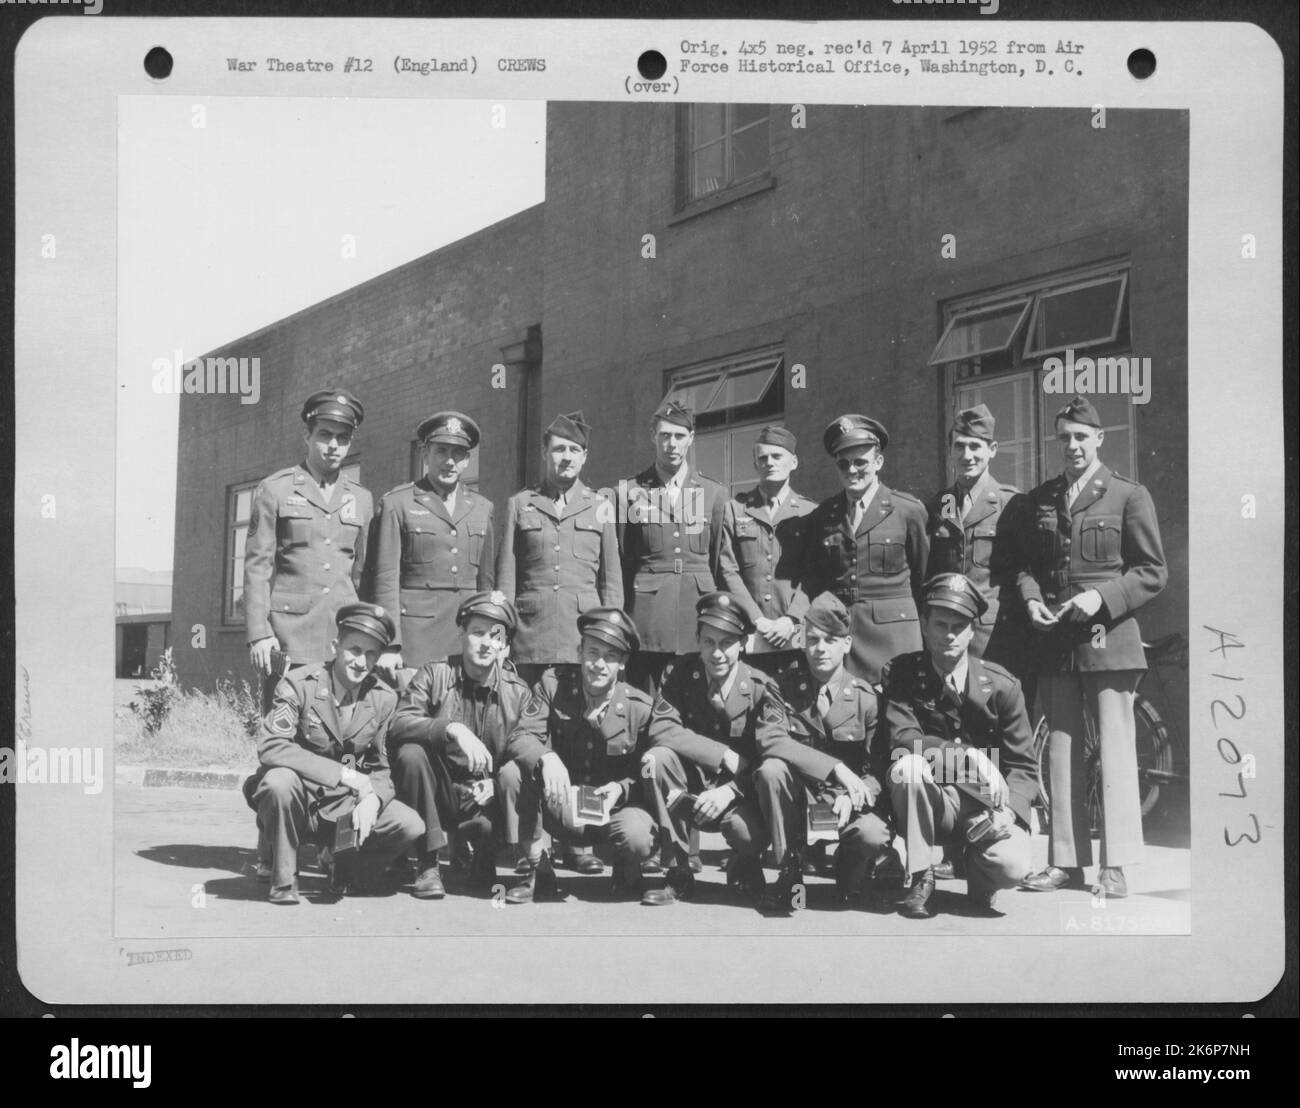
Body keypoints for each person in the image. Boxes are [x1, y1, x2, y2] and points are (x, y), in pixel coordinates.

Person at [1017, 397, 1167, 899]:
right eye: (1065, 437)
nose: (1073, 446)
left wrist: (1100, 597)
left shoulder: (1127, 494)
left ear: (1100, 439)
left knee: (1116, 752)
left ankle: (1116, 864)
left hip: (1109, 640)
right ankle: (1066, 861)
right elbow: (1026, 567)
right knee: (1061, 752)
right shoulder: (1043, 498)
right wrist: (1033, 599)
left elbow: (1151, 571)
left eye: (1082, 436)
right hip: (1058, 640)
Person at [643, 592, 835, 906]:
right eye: (708, 642)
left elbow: (769, 757)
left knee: (746, 833)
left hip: (741, 796)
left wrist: (730, 790)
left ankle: (751, 861)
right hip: (692, 789)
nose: (716, 653)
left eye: (726, 643)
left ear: (743, 644)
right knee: (658, 757)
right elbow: (662, 728)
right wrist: (724, 756)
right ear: (698, 640)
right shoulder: (678, 673)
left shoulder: (761, 686)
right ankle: (678, 872)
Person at [242, 603, 424, 905]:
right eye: (354, 650)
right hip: (302, 799)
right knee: (278, 783)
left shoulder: (383, 698)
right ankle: (284, 878)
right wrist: (347, 776)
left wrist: (373, 798)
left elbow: (383, 766)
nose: (360, 662)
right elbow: (272, 745)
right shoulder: (299, 684)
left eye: (370, 654)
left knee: (409, 824)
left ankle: (345, 868)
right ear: (335, 646)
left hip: (345, 805)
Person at [881, 574, 1037, 919]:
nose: (949, 634)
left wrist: (1010, 813)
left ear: (971, 631)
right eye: (940, 624)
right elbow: (902, 739)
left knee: (1012, 867)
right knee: (907, 767)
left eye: (959, 625)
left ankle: (978, 869)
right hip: (932, 801)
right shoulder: (902, 674)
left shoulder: (1002, 686)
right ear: (924, 624)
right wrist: (966, 756)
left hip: (985, 805)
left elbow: (1024, 766)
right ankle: (921, 875)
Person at [500, 608, 664, 904]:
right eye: (592, 652)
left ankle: (628, 868)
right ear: (579, 651)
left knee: (637, 835)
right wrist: (546, 758)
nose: (598, 664)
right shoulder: (553, 685)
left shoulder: (640, 707)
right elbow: (520, 736)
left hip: (613, 811)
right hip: (561, 801)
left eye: (610, 656)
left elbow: (651, 773)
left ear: (623, 663)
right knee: (513, 772)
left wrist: (620, 789)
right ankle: (539, 870)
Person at [386, 591, 541, 899]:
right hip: (438, 791)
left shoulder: (519, 693)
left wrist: (496, 784)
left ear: (506, 646)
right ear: (462, 635)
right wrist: (450, 728)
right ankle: (428, 864)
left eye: (495, 636)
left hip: (484, 799)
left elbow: (528, 748)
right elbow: (398, 724)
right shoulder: (434, 674)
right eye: (477, 632)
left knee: (511, 780)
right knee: (411, 753)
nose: (486, 643)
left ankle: (484, 859)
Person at [244, 388, 381, 712]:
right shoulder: (276, 489)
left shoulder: (361, 498)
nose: (333, 445)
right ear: (307, 435)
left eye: (343, 438)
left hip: (343, 635)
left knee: (337, 728)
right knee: (283, 728)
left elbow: (365, 573)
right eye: (325, 435)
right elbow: (257, 566)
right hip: (290, 634)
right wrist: (259, 634)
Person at [776, 592, 895, 903]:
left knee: (872, 834)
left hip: (845, 807)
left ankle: (850, 860)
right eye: (812, 640)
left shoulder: (866, 699)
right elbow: (772, 744)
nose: (819, 649)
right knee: (769, 770)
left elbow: (878, 768)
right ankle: (788, 866)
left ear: (847, 644)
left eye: (830, 640)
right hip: (798, 804)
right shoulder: (783, 692)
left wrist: (851, 797)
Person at [495, 410, 623, 686]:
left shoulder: (601, 506)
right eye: (559, 449)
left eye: (574, 450)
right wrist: (502, 633)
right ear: (545, 454)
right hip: (529, 638)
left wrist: (610, 636)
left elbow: (611, 583)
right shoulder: (520, 504)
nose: (567, 457)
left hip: (582, 638)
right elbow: (506, 577)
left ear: (584, 456)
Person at [799, 415, 928, 686]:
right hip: (843, 635)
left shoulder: (907, 510)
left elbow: (924, 579)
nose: (852, 470)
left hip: (894, 638)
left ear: (878, 462)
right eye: (843, 464)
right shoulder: (824, 515)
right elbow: (816, 578)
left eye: (860, 462)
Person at [615, 400, 727, 696]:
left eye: (679, 436)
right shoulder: (629, 492)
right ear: (653, 437)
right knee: (647, 705)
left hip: (697, 617)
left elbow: (717, 561)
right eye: (665, 436)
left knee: (696, 706)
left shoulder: (713, 493)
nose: (671, 444)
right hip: (648, 620)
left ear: (691, 438)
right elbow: (623, 562)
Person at [371, 411, 496, 670]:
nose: (449, 461)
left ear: (467, 460)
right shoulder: (398, 504)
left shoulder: (482, 508)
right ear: (425, 454)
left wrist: (492, 637)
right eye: (441, 451)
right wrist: (390, 644)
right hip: (416, 639)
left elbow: (487, 583)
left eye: (457, 454)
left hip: (465, 638)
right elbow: (385, 579)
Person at [924, 404, 1027, 677]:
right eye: (959, 447)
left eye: (975, 446)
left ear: (992, 449)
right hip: (948, 638)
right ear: (950, 451)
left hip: (995, 638)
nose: (966, 455)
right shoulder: (938, 506)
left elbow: (1024, 573)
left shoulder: (1012, 504)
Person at [716, 425, 818, 678]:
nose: (769, 463)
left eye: (777, 456)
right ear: (755, 464)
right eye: (762, 458)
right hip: (749, 632)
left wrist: (791, 619)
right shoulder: (735, 509)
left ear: (793, 462)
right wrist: (757, 619)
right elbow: (727, 569)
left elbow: (814, 573)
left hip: (794, 634)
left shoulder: (810, 512)